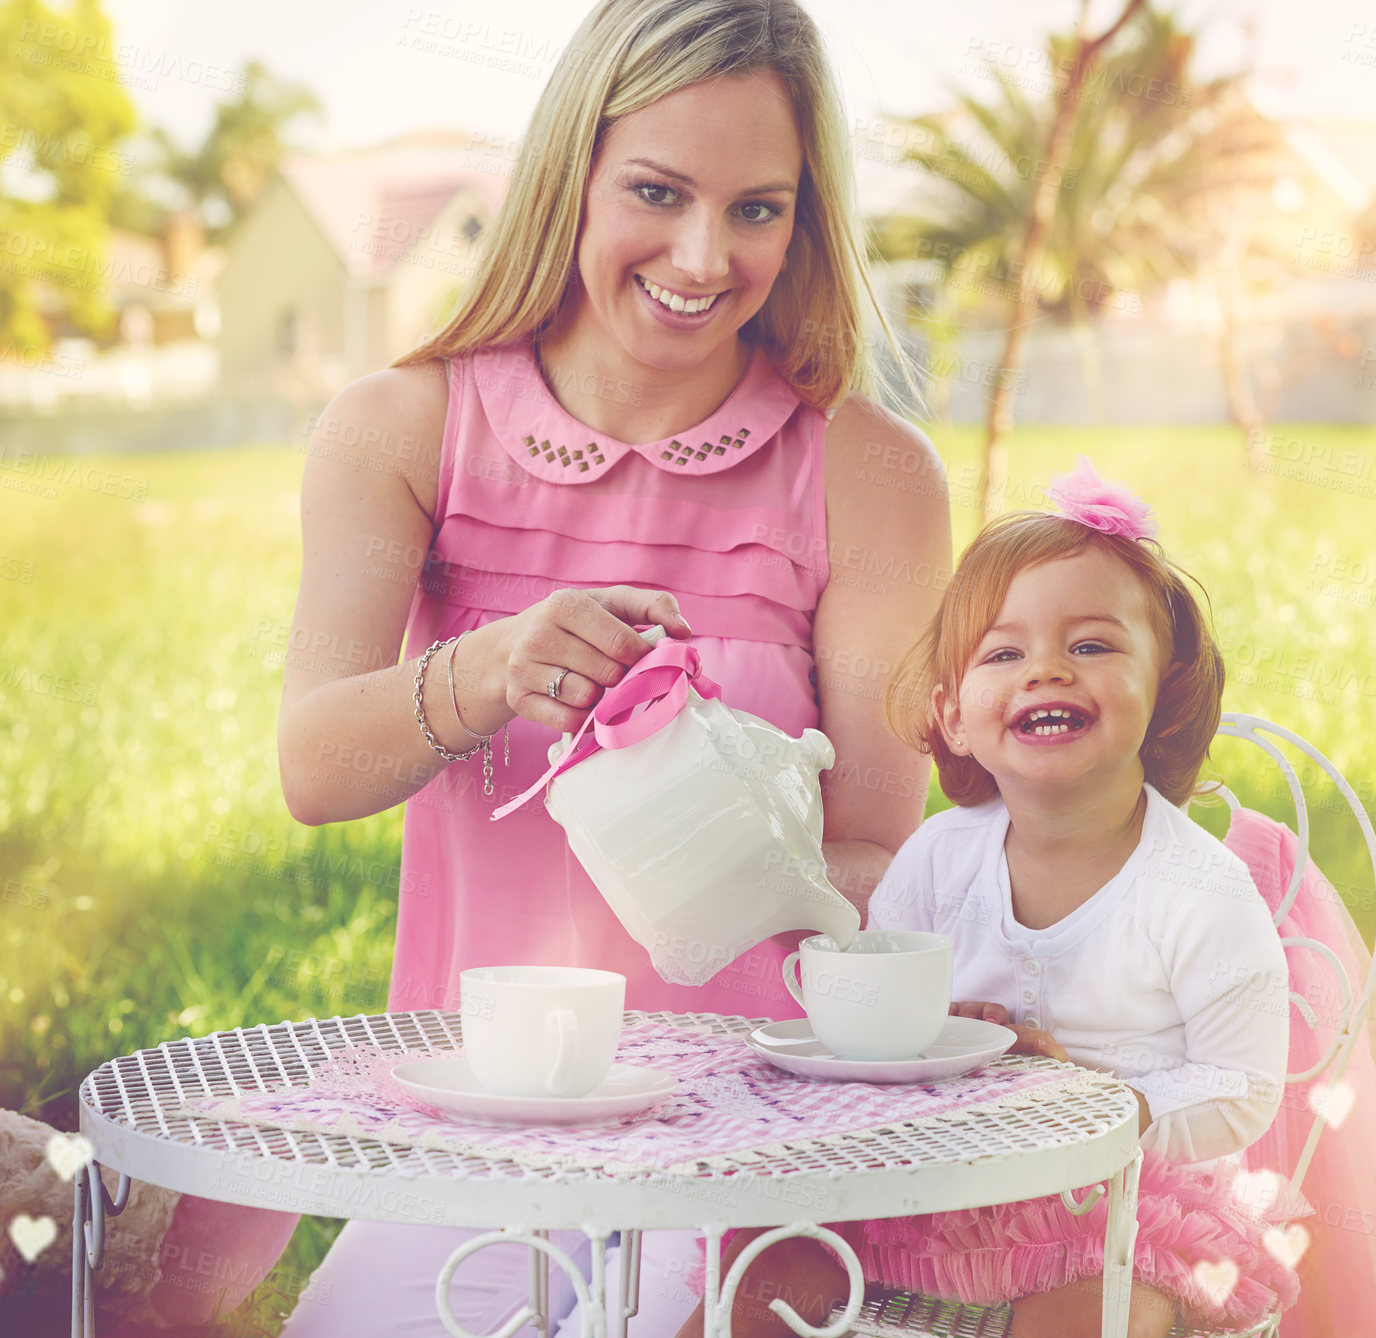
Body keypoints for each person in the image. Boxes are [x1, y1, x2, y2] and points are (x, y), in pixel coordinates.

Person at [273, 0, 951, 1332]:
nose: (705, 256)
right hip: (484, 1127)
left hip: (761, 1150)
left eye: (759, 209)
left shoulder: (869, 472)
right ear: (566, 176)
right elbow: (312, 767)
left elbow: (875, 845)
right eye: (657, 191)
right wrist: (487, 672)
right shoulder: (402, 428)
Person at [682, 459, 1301, 1338]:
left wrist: (1089, 1098)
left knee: (1084, 1318)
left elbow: (1240, 1088)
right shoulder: (942, 856)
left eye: (1090, 645)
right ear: (954, 714)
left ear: (1164, 691)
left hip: (1117, 1202)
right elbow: (876, 1019)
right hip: (933, 1181)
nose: (1045, 670)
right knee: (760, 1268)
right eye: (1004, 653)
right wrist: (925, 1028)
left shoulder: (1196, 888)